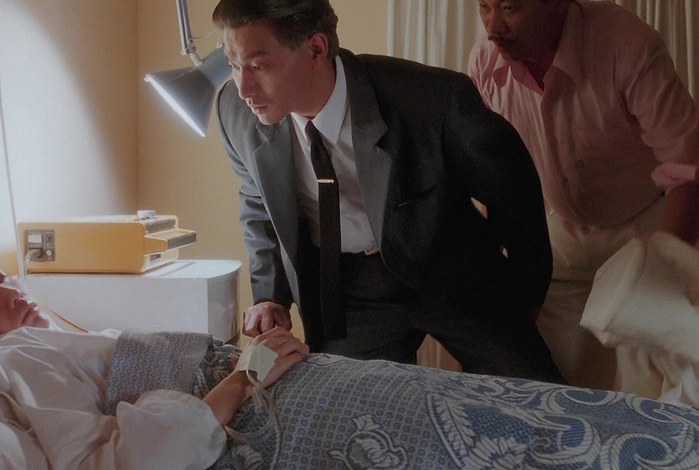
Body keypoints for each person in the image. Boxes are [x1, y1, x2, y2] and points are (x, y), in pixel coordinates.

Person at [212, 0, 564, 383]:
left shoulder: (432, 99)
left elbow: (513, 190)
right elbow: (258, 202)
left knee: (536, 397)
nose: (243, 88)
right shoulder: (234, 113)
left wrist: (526, 294)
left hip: (452, 265)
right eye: (233, 64)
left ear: (316, 48)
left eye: (258, 66)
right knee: (344, 405)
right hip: (351, 289)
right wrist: (270, 294)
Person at [0, 234, 308, 469]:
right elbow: (116, 462)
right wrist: (245, 375)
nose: (10, 293)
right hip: (255, 392)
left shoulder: (51, 344)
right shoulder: (19, 352)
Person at [469, 0, 699, 390]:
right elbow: (495, 173)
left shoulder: (627, 45)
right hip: (562, 228)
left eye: (510, 8)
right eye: (484, 6)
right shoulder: (485, 64)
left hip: (648, 225)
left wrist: (661, 268)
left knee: (646, 386)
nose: (493, 26)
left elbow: (686, 169)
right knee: (548, 374)